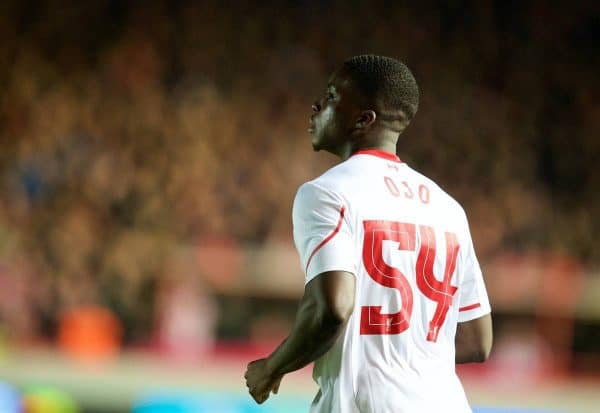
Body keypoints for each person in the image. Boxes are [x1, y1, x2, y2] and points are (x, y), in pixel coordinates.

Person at [244, 55, 493, 412]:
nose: (316, 105)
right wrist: (406, 357)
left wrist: (272, 367)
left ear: (364, 119)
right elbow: (477, 340)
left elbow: (331, 308)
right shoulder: (449, 209)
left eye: (331, 96)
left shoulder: (327, 193)